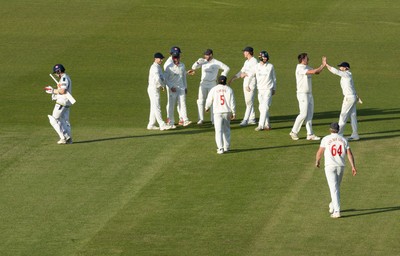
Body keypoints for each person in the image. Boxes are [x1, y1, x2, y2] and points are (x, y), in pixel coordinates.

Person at [315, 122, 357, 218]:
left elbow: (320, 151)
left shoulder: (326, 139)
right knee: (336, 187)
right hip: (341, 166)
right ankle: (333, 205)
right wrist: (353, 166)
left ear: (330, 129)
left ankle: (337, 211)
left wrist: (317, 161)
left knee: (334, 188)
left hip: (330, 166)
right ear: (338, 130)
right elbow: (349, 154)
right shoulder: (343, 139)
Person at [187, 49, 230, 125]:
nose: (205, 56)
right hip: (203, 83)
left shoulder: (217, 62)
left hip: (212, 84)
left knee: (213, 101)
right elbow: (193, 67)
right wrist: (197, 62)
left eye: (207, 55)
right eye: (205, 55)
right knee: (200, 101)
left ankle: (213, 119)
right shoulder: (202, 61)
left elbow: (227, 68)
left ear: (211, 55)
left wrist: (222, 76)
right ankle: (200, 119)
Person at [289, 53, 326, 141]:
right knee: (303, 114)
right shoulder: (299, 68)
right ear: (303, 59)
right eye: (307, 58)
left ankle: (310, 134)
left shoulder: (307, 67)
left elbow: (317, 72)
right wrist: (322, 65)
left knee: (310, 114)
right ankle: (293, 132)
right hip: (302, 94)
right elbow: (313, 72)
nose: (308, 59)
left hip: (309, 94)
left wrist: (322, 65)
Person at [324, 59, 359, 140]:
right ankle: (355, 134)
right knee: (353, 116)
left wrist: (326, 65)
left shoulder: (346, 74)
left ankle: (338, 135)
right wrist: (357, 96)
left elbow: (336, 72)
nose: (340, 67)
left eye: (341, 67)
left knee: (343, 116)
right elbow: (352, 87)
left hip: (349, 98)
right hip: (352, 97)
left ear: (346, 68)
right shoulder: (348, 75)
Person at [205, 76, 236, 154]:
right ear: (225, 81)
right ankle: (227, 147)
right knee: (227, 130)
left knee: (218, 131)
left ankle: (220, 148)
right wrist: (234, 112)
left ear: (218, 81)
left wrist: (207, 107)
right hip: (227, 111)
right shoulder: (229, 89)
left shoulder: (214, 89)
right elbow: (232, 102)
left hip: (217, 112)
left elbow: (209, 99)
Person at [228, 46, 258, 126]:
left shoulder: (254, 61)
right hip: (245, 83)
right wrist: (233, 78)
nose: (243, 53)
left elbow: (254, 72)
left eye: (244, 51)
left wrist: (245, 74)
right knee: (248, 102)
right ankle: (252, 118)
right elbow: (241, 71)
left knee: (249, 102)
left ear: (248, 52)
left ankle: (245, 120)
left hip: (251, 83)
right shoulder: (247, 62)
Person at [44, 64, 73, 144]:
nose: (56, 75)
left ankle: (63, 138)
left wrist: (53, 91)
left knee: (53, 119)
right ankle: (68, 138)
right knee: (63, 120)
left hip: (62, 102)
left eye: (56, 73)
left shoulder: (64, 78)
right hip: (66, 102)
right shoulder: (66, 77)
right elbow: (62, 90)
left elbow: (63, 91)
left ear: (59, 71)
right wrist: (56, 90)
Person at [164, 53, 192, 127]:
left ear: (179, 57)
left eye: (177, 58)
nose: (176, 59)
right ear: (172, 58)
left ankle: (185, 120)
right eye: (174, 58)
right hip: (173, 89)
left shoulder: (182, 65)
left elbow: (184, 77)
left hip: (181, 88)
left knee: (182, 104)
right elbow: (165, 79)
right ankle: (171, 122)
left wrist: (185, 87)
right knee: (171, 105)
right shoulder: (169, 67)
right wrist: (171, 86)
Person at [147, 52, 171, 131]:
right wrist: (162, 85)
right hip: (153, 89)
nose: (161, 60)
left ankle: (151, 124)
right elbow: (157, 78)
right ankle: (162, 124)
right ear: (155, 59)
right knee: (157, 107)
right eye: (160, 59)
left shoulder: (158, 67)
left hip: (155, 89)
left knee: (154, 106)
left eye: (162, 59)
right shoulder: (154, 68)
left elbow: (162, 77)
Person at [254, 50, 276, 131]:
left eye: (266, 57)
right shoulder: (256, 66)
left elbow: (274, 78)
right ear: (260, 57)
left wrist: (274, 88)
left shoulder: (270, 66)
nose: (265, 59)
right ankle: (267, 124)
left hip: (268, 89)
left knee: (265, 107)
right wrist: (248, 85)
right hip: (260, 89)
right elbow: (253, 75)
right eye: (264, 57)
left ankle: (261, 125)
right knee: (261, 107)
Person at [164, 46, 184, 125]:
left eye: (178, 54)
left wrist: (185, 73)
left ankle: (181, 118)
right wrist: (171, 86)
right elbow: (167, 77)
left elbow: (177, 73)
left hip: (178, 84)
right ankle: (169, 119)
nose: (177, 57)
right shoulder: (168, 64)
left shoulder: (176, 60)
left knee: (180, 102)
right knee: (171, 103)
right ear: (171, 54)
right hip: (171, 85)